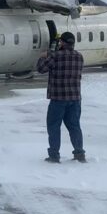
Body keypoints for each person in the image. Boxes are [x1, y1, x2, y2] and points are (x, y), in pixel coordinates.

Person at [35, 31, 86, 163]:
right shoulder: (79, 57)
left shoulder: (55, 56)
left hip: (58, 98)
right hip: (74, 98)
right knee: (74, 126)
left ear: (62, 42)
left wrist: (43, 56)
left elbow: (41, 69)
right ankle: (79, 153)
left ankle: (54, 155)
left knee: (54, 127)